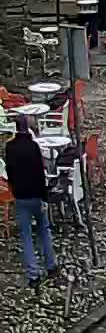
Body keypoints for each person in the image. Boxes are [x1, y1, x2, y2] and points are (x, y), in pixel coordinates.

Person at [6, 116, 56, 288]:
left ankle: (33, 275)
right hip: (36, 195)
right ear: (28, 128)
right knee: (44, 230)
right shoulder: (33, 147)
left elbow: (9, 172)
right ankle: (51, 265)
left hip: (21, 197)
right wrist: (45, 197)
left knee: (26, 237)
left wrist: (14, 190)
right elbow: (40, 174)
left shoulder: (9, 147)